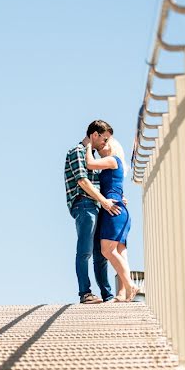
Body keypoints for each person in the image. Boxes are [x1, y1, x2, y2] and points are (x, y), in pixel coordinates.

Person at [64, 120, 121, 304]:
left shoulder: (92, 156)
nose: (105, 143)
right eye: (104, 139)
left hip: (95, 206)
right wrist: (103, 200)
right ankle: (85, 293)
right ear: (94, 135)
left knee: (100, 253)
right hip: (84, 205)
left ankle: (108, 295)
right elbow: (83, 181)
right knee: (85, 250)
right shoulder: (77, 152)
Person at [85, 136, 139, 301]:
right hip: (119, 210)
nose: (102, 145)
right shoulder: (114, 165)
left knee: (107, 250)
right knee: (120, 253)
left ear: (113, 146)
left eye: (105, 142)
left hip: (113, 211)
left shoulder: (114, 160)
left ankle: (130, 286)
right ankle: (122, 294)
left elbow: (89, 164)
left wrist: (88, 146)